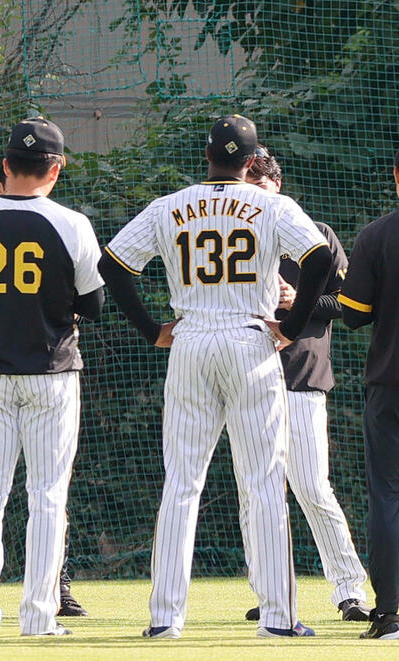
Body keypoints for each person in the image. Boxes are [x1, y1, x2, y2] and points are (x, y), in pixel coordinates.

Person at [98, 115, 333, 639]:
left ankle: (164, 619)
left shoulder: (171, 205)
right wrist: (292, 326)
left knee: (181, 482)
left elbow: (112, 264)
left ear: (207, 156)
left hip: (191, 340)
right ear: (253, 163)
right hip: (251, 340)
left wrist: (150, 329)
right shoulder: (271, 204)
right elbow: (318, 259)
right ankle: (277, 619)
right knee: (265, 482)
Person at [0, 117, 105, 638]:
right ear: (54, 169)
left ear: (6, 165)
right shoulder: (71, 222)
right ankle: (38, 617)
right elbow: (94, 304)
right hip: (51, 372)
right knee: (47, 496)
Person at [237, 145, 369, 622]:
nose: (257, 203)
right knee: (256, 490)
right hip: (246, 373)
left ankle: (349, 590)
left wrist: (300, 303)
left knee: (312, 486)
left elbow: (351, 306)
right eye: (247, 192)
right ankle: (270, 591)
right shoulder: (230, 235)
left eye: (263, 192)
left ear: (278, 188)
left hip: (301, 375)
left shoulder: (317, 235)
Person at [337, 146, 399, 641]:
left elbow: (354, 311)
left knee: (389, 495)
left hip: (390, 383)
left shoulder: (377, 234)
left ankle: (393, 613)